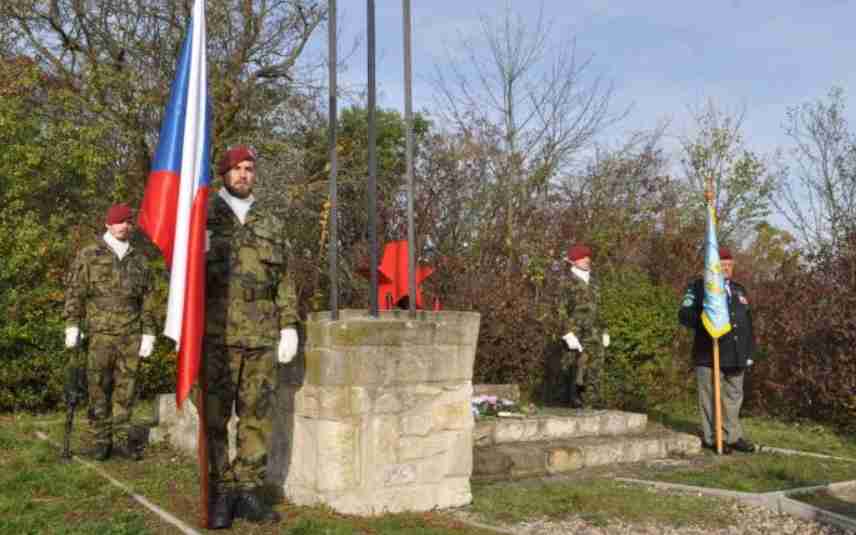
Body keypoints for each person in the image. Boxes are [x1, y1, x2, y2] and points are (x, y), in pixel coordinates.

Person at [204, 145, 299, 528]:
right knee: (214, 418)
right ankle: (221, 491)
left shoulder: (270, 222)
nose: (243, 174)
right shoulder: (204, 217)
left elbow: (285, 279)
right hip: (216, 334)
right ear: (223, 173)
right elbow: (184, 280)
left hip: (261, 334)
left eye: (249, 168)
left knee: (256, 416)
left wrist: (289, 325)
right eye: (236, 168)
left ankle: (248, 491)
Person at [63, 203, 157, 461]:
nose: (124, 226)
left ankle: (123, 439)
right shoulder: (89, 255)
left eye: (128, 222)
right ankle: (101, 440)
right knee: (98, 389)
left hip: (130, 334)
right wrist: (72, 324)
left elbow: (148, 298)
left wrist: (149, 332)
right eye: (119, 221)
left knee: (126, 390)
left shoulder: (139, 259)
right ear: (108, 224)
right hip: (100, 335)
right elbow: (75, 291)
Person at [678, 246, 757, 454]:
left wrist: (749, 352)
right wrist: (706, 320)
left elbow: (747, 323)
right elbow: (684, 315)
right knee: (711, 397)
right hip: (709, 353)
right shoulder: (699, 288)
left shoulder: (739, 289)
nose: (727, 269)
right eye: (722, 265)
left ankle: (732, 436)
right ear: (713, 266)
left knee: (734, 396)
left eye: (730, 265)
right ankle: (714, 437)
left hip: (736, 353)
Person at [558, 244, 610, 409]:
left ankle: (592, 404)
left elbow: (601, 308)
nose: (587, 260)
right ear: (573, 260)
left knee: (595, 369)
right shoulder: (565, 282)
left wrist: (605, 331)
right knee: (573, 370)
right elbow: (558, 310)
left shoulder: (594, 282)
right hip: (575, 334)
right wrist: (567, 333)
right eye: (582, 257)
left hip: (595, 334)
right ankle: (571, 406)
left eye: (588, 256)